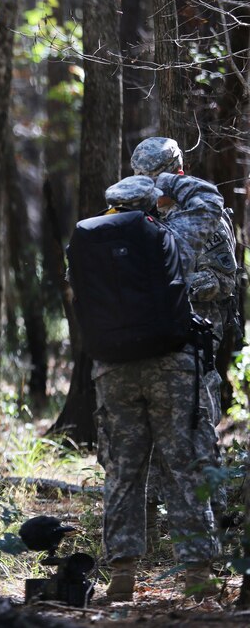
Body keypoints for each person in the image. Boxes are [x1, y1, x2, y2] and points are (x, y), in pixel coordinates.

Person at [92, 174, 224, 601]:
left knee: (123, 470)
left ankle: (122, 575)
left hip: (113, 371)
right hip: (171, 366)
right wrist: (165, 176)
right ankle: (199, 575)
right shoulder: (171, 236)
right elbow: (208, 200)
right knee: (183, 466)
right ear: (154, 203)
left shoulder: (86, 243)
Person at [130, 137, 237, 539]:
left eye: (156, 177)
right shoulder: (136, 213)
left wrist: (175, 285)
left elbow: (224, 281)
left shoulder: (204, 214)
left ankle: (217, 519)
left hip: (199, 339)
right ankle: (163, 524)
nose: (151, 185)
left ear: (176, 174)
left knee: (199, 430)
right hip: (153, 341)